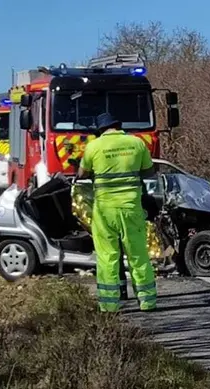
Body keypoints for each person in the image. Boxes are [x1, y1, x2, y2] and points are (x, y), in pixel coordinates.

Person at [77, 113, 157, 312]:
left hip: (104, 210)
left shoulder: (93, 147)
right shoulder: (137, 143)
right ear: (118, 126)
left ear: (101, 130)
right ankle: (147, 301)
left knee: (107, 257)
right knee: (138, 255)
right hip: (131, 208)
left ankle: (109, 304)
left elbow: (81, 174)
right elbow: (149, 172)